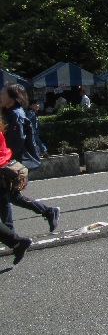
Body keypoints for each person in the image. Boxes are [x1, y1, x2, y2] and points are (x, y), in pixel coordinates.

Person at [0, 85, 60, 233]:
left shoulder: (16, 115)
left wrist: (8, 158)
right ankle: (11, 233)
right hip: (10, 161)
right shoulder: (9, 112)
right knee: (8, 196)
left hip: (14, 162)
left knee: (8, 196)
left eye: (3, 93)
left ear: (12, 98)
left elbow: (17, 139)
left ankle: (11, 234)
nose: (0, 96)